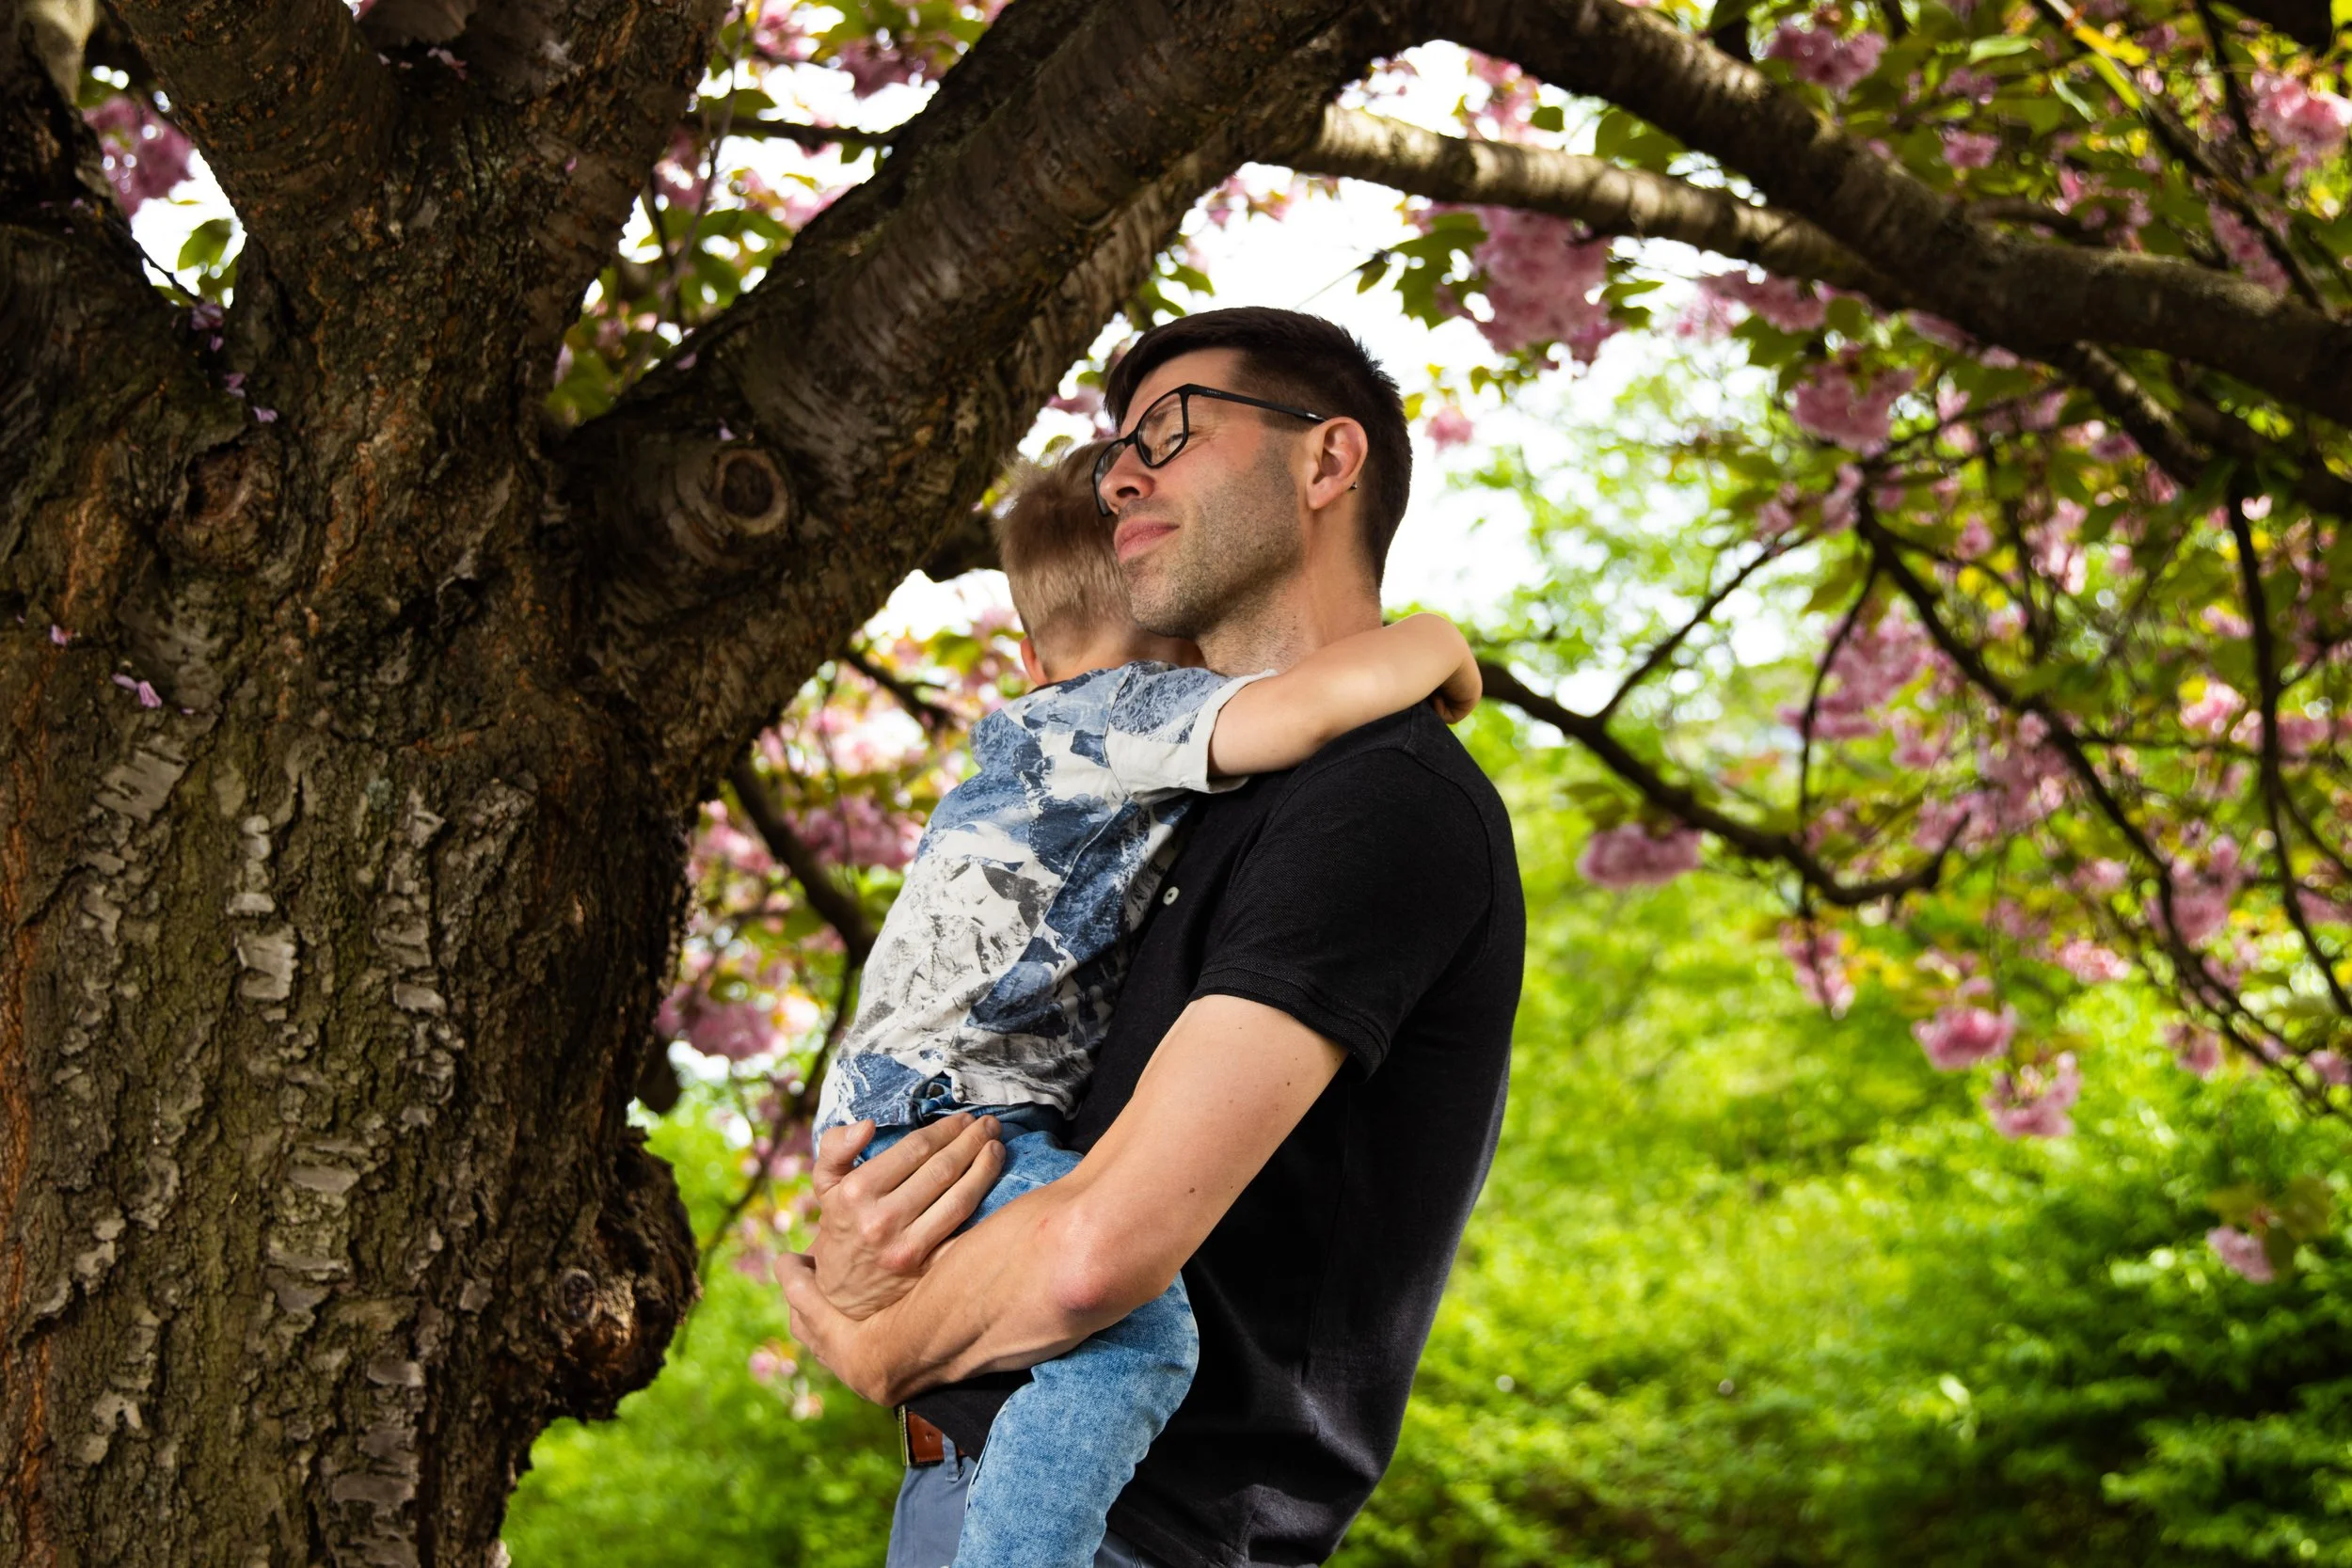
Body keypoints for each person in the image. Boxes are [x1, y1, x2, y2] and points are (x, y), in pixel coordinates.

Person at [782, 308, 1526, 1568]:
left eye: (1169, 431)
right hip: (985, 1496)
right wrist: (870, 1248)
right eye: (1113, 443)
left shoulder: (1377, 800)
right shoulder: (1163, 803)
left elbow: (1089, 1258)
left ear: (1326, 463)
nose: (1121, 470)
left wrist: (876, 1340)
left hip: (1137, 1531)